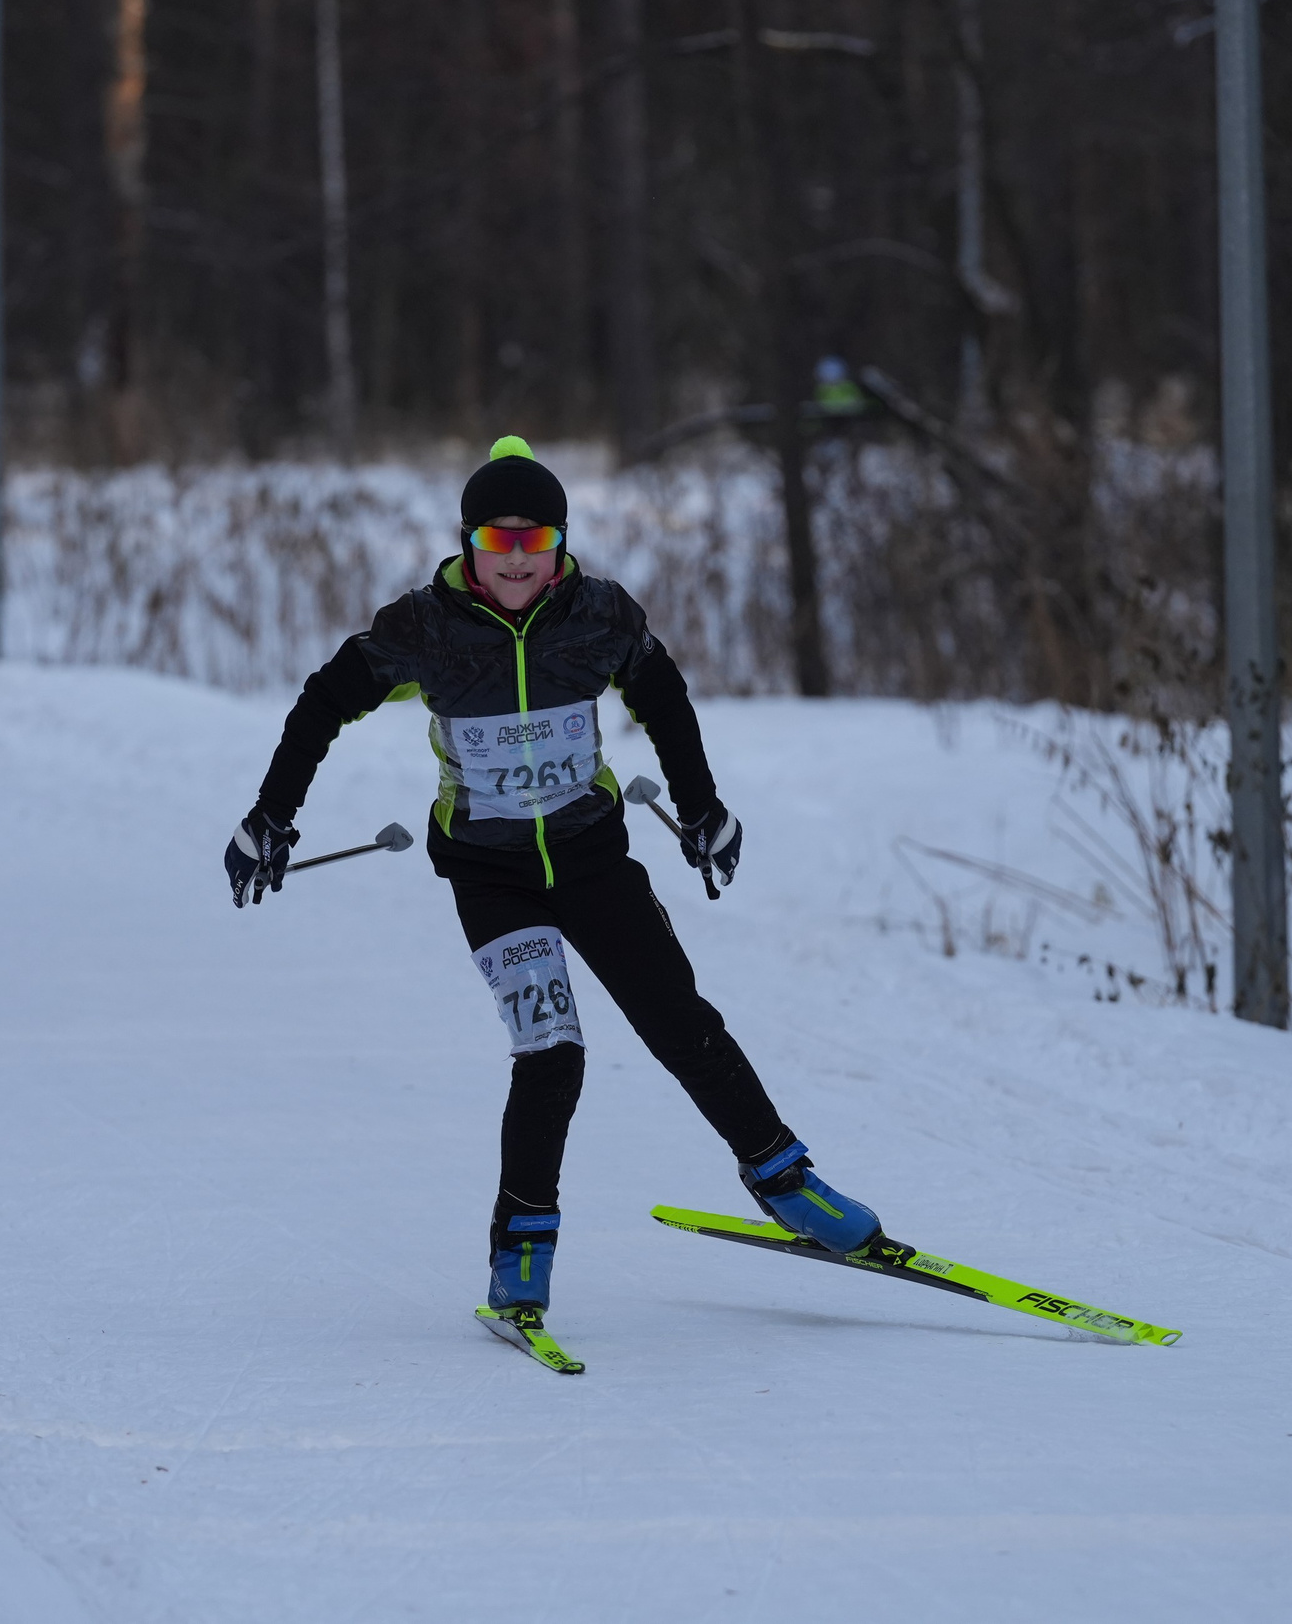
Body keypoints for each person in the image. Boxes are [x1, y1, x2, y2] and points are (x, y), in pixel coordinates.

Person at [224, 436, 881, 1331]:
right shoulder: (425, 627)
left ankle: (785, 1180)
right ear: (468, 547)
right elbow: (323, 700)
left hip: (591, 859)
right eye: (498, 545)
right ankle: (521, 1244)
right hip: (490, 877)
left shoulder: (600, 617)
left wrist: (702, 809)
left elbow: (665, 697)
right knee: (553, 1052)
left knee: (678, 1019)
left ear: (563, 544)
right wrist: (271, 815)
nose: (519, 563)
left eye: (538, 544)